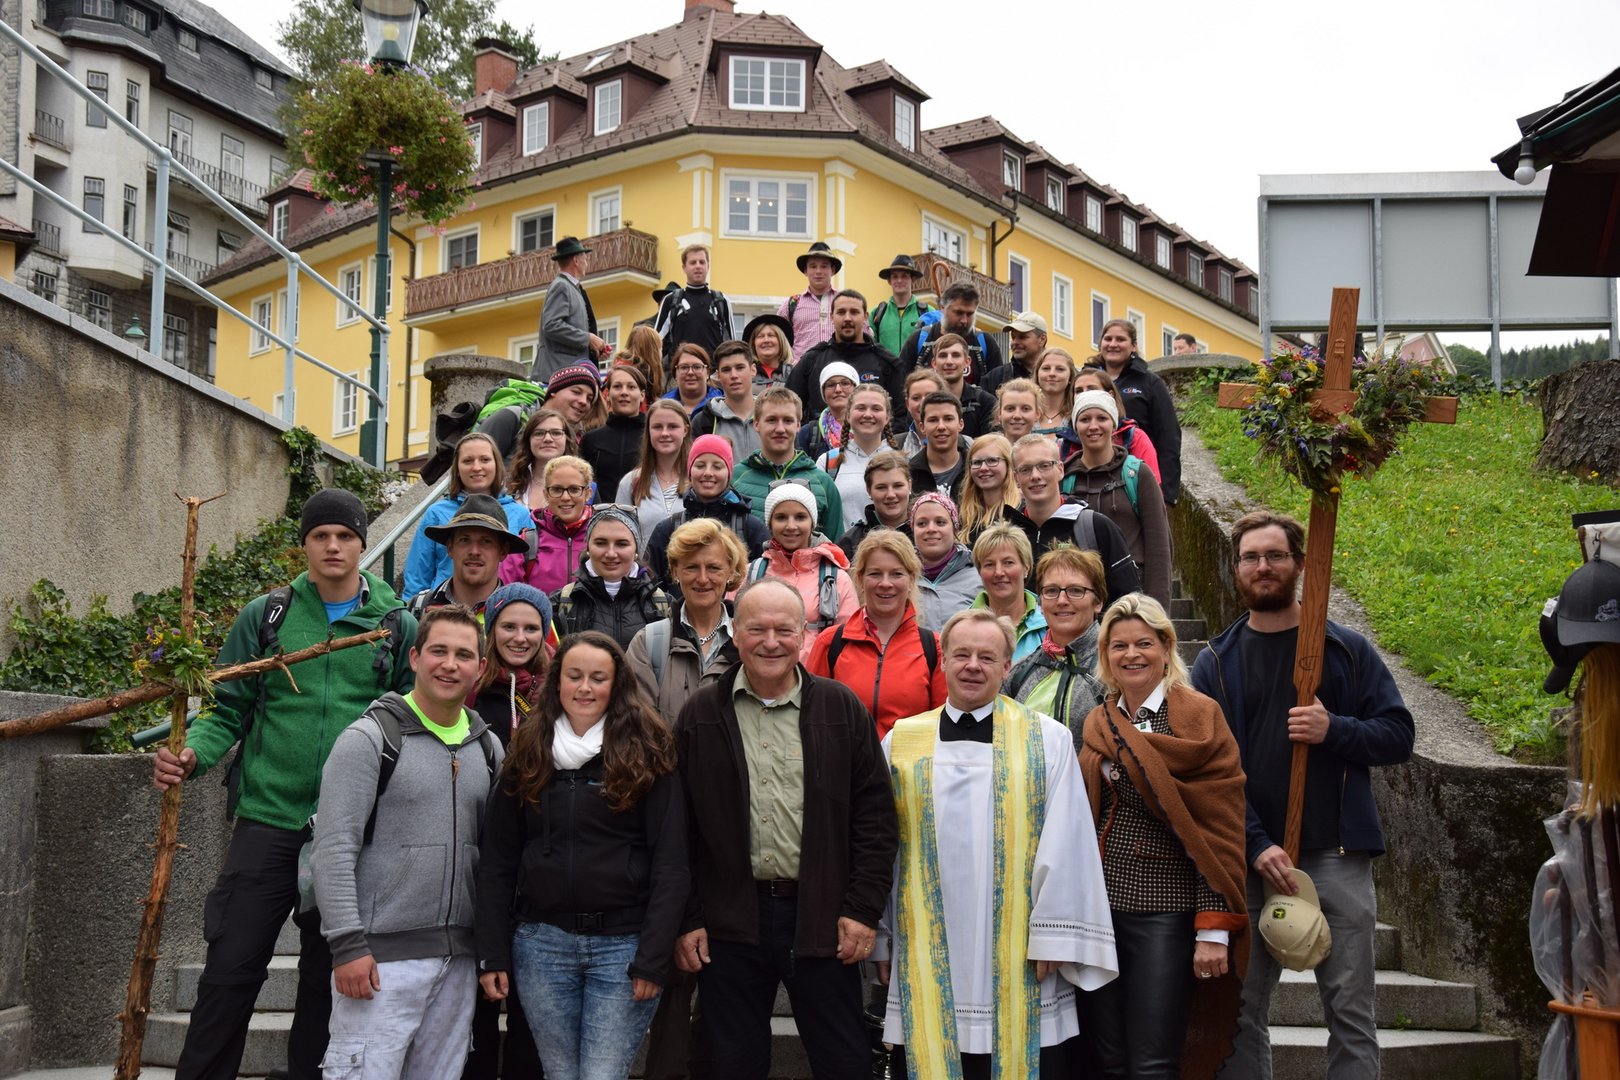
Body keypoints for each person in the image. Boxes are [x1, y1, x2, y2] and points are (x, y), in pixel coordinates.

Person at [151, 489, 417, 1080]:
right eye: (320, 535)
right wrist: (192, 753)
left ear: (362, 545)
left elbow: (410, 718)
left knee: (326, 982)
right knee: (229, 971)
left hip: (348, 833)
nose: (333, 546)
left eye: (345, 536)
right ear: (305, 545)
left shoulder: (395, 625)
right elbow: (226, 708)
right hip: (267, 821)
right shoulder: (266, 616)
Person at [1193, 511, 1415, 1080]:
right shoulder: (1215, 663)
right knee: (1241, 1013)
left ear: (1299, 564)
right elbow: (1205, 771)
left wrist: (1333, 728)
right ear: (1236, 567)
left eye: (1275, 555)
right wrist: (1255, 842)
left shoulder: (1344, 650)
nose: (1262, 566)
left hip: (1334, 853)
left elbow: (1398, 734)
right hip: (1247, 862)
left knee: (1350, 1012)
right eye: (1250, 557)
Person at [875, 608, 1117, 1078]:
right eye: (961, 654)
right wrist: (882, 938)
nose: (973, 666)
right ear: (944, 661)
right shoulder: (901, 742)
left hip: (1021, 949)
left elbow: (1068, 839)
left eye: (987, 657)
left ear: (1008, 667)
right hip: (922, 944)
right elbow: (884, 849)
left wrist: (1055, 933)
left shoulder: (1047, 739)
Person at [673, 577, 898, 1080]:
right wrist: (688, 918)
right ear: (736, 634)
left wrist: (862, 910)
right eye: (757, 629)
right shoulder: (701, 714)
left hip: (824, 918)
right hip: (729, 922)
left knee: (844, 1063)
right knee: (730, 1066)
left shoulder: (840, 708)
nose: (770, 642)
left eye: (784, 630)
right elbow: (677, 830)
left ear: (804, 635)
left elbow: (876, 820)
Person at [477, 631, 688, 1080]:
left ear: (617, 685)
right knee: (558, 1073)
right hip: (542, 946)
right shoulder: (527, 752)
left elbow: (671, 863)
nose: (585, 688)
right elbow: (498, 861)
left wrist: (653, 957)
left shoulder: (646, 752)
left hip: (623, 948)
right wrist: (493, 951)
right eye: (574, 676)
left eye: (598, 678)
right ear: (557, 682)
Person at [311, 604, 501, 1080]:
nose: (449, 664)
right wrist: (347, 945)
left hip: (458, 962)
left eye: (463, 655)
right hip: (379, 961)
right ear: (415, 657)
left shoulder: (488, 748)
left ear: (480, 667)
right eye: (438, 651)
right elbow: (332, 849)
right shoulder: (370, 739)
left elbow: (496, 857)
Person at [1079, 593, 1249, 1080]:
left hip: (1164, 912)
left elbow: (1218, 828)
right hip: (1099, 912)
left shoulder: (1197, 716)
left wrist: (1212, 928)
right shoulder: (1099, 719)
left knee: (1153, 1062)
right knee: (1107, 1061)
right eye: (1119, 645)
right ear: (1105, 654)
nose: (1131, 654)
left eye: (1144, 643)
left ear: (1166, 647)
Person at [627, 518, 748, 1080]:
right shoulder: (649, 641)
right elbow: (638, 730)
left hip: (735, 822)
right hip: (667, 817)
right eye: (691, 567)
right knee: (672, 976)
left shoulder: (750, 637)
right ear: (674, 571)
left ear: (732, 573)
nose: (702, 577)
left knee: (728, 979)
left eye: (714, 567)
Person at [464, 587, 550, 1080]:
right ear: (491, 630)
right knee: (475, 1017)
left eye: (531, 627)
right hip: (477, 858)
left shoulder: (556, 691)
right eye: (509, 626)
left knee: (530, 1024)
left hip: (536, 862)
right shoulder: (471, 690)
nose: (520, 637)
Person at [807, 530, 946, 738]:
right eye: (875, 574)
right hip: (845, 759)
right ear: (860, 579)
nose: (885, 583)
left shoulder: (933, 648)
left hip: (908, 759)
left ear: (911, 580)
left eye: (896, 574)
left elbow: (941, 726)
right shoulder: (830, 643)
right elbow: (812, 717)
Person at [1063, 389, 1173, 605]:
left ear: (1113, 424)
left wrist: (1157, 609)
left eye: (1102, 418)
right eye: (1085, 419)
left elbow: (1159, 546)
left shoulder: (1137, 474)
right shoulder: (1065, 478)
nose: (1093, 426)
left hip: (1132, 597)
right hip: (1079, 597)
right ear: (1075, 426)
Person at [1006, 432, 1141, 604]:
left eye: (1044, 466)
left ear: (1060, 470)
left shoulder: (1096, 527)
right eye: (1025, 469)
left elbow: (1128, 599)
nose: (1035, 476)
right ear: (1016, 478)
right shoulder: (1007, 534)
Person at [404, 432, 531, 598]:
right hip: (444, 607)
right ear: (457, 468)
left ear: (497, 465)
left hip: (503, 607)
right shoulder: (436, 513)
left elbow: (531, 572)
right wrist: (413, 609)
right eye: (468, 461)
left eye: (485, 459)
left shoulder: (520, 514)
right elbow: (417, 576)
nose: (476, 467)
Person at [1003, 545, 1108, 743]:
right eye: (1051, 591)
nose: (1061, 600)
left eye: (1075, 590)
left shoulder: (1115, 667)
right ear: (1041, 604)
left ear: (1098, 602)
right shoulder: (1019, 672)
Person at [746, 482, 859, 661]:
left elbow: (850, 640)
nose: (791, 526)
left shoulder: (837, 578)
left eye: (800, 517)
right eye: (781, 517)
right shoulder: (751, 574)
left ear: (812, 522)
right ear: (770, 523)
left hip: (817, 675)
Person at [645, 434, 770, 588]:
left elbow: (767, 585)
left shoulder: (751, 528)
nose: (708, 473)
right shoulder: (667, 529)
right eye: (700, 465)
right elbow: (650, 586)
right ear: (690, 471)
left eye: (717, 466)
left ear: (729, 473)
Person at [549, 504, 672, 652]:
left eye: (621, 544)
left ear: (636, 551)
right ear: (588, 548)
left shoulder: (663, 605)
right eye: (601, 543)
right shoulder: (561, 603)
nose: (611, 554)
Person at [1087, 318, 1182, 504]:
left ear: (1133, 346)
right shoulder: (1086, 379)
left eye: (1120, 339)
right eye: (1108, 339)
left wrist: (1168, 495)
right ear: (1100, 344)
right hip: (1093, 475)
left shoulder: (1150, 382)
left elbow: (1169, 438)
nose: (1113, 344)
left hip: (1137, 475)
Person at [730, 387, 844, 539]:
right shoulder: (735, 479)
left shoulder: (823, 483)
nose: (780, 429)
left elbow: (835, 547)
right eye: (771, 420)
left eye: (788, 421)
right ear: (756, 424)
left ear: (798, 425)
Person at [785, 289, 906, 418]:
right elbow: (788, 407)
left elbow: (901, 416)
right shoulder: (812, 361)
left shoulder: (887, 362)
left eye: (854, 312)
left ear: (865, 317)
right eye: (841, 312)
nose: (847, 318)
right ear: (832, 317)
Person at [407, 494, 528, 617]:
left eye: (486, 541)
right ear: (450, 548)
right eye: (465, 540)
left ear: (503, 551)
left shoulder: (520, 616)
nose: (474, 551)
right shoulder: (419, 608)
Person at [500, 455, 595, 595]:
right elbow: (505, 597)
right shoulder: (527, 544)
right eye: (557, 489)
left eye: (574, 489)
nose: (565, 497)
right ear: (545, 494)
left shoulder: (603, 540)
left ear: (588, 493)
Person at [532, 236, 611, 382]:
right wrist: (588, 338)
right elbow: (551, 325)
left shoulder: (571, 288)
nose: (586, 263)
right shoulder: (562, 286)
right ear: (576, 260)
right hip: (557, 374)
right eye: (585, 258)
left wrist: (593, 349)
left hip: (566, 373)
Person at [818, 382, 895, 531]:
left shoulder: (902, 460)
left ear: (887, 417)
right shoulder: (828, 462)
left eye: (876, 408)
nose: (868, 414)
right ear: (848, 415)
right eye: (861, 408)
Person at [897, 282, 1005, 382]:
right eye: (959, 313)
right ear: (943, 308)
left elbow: (998, 387)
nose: (964, 320)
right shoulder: (919, 340)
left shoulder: (986, 343)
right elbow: (900, 384)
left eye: (969, 314)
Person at [968, 524, 1047, 661]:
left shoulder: (1049, 624)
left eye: (1008, 562)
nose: (999, 572)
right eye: (989, 564)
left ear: (1026, 568)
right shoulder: (962, 625)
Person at [617, 398, 693, 538]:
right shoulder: (631, 482)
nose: (665, 433)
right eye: (657, 427)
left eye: (672, 426)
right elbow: (619, 534)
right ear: (648, 431)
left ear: (685, 430)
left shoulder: (698, 479)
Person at [1074, 366, 1161, 483]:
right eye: (1078, 391)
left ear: (1110, 395)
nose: (1085, 394)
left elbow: (1151, 485)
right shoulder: (1065, 443)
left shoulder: (1133, 437)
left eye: (1092, 389)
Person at [911, 492, 982, 634]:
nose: (931, 529)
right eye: (922, 523)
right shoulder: (902, 578)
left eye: (940, 522)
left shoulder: (980, 577)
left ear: (955, 528)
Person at [654, 244, 734, 366]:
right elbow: (655, 342)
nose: (698, 266)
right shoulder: (671, 300)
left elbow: (732, 344)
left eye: (702, 262)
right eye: (692, 262)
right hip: (680, 371)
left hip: (712, 372)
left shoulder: (721, 300)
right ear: (684, 268)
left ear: (708, 266)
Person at [580, 364, 649, 504]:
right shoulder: (591, 440)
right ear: (607, 394)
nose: (624, 392)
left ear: (642, 395)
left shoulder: (653, 437)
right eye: (617, 387)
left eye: (631, 387)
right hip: (600, 514)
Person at [835, 449, 912, 560]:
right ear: (869, 490)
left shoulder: (926, 536)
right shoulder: (850, 542)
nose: (890, 494)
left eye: (898, 486)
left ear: (909, 486)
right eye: (881, 487)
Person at [691, 339, 761, 460]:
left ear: (753, 370)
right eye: (726, 370)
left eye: (740, 367)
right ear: (718, 375)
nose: (734, 375)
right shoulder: (703, 421)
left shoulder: (773, 416)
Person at [778, 240, 842, 361]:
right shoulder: (790, 304)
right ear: (805, 271)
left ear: (832, 270)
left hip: (837, 369)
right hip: (801, 370)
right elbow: (779, 342)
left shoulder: (845, 302)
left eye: (824, 266)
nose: (818, 271)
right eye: (813, 266)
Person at [508, 407, 579, 515]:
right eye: (539, 433)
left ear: (567, 439)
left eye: (556, 433)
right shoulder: (509, 485)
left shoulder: (584, 487)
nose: (548, 439)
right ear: (528, 441)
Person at [928, 332, 996, 437]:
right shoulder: (924, 402)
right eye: (943, 356)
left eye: (956, 355)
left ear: (967, 361)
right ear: (934, 363)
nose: (949, 361)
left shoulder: (986, 403)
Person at [909, 390, 970, 502]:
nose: (941, 426)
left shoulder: (975, 469)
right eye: (933, 420)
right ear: (922, 427)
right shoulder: (909, 474)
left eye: (948, 419)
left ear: (961, 424)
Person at [957, 432, 1018, 546]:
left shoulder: (1021, 514)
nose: (983, 468)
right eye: (977, 462)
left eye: (992, 461)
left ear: (1009, 464)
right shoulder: (962, 516)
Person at [795, 360, 859, 463]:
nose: (838, 389)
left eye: (845, 383)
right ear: (823, 393)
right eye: (831, 385)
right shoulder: (808, 433)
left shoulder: (871, 428)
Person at [869, 254, 931, 355]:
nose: (899, 280)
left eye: (904, 276)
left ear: (913, 279)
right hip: (885, 366)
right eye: (895, 276)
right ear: (889, 281)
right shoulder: (876, 314)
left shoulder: (928, 312)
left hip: (917, 366)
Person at [980, 310, 1049, 396]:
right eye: (1013, 337)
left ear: (1042, 339)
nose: (1014, 342)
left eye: (1022, 337)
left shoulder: (1057, 376)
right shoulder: (994, 378)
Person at [663, 342, 721, 417]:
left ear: (707, 373)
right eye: (684, 367)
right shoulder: (662, 406)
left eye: (697, 367)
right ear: (675, 374)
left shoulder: (722, 405)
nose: (690, 372)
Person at [899, 369, 948, 455]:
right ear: (907, 404)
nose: (923, 403)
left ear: (943, 399)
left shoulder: (966, 444)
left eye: (930, 396)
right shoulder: (892, 446)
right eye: (916, 398)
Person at [1033, 347, 1079, 436]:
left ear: (1070, 376)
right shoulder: (1024, 413)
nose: (1052, 373)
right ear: (1037, 374)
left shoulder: (1078, 416)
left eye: (1060, 369)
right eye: (1046, 368)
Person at [742, 313, 793, 388]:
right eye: (760, 336)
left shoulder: (794, 373)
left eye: (771, 335)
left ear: (781, 341)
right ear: (753, 344)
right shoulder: (744, 372)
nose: (766, 340)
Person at [625, 323, 667, 399]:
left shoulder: (619, 370)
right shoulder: (646, 377)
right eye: (660, 348)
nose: (661, 352)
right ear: (654, 352)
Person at [994, 377, 1041, 443]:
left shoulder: (1047, 449)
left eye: (1025, 409)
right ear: (999, 414)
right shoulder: (987, 448)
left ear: (1037, 414)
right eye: (1010, 409)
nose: (1017, 416)